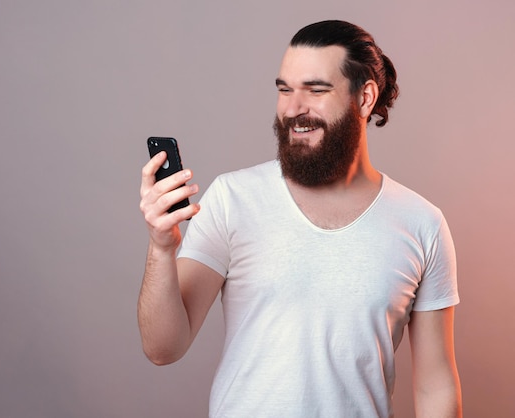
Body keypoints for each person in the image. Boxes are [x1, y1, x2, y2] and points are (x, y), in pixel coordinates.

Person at [138, 20, 462, 418]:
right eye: (285, 89)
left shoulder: (422, 223)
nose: (293, 108)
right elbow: (162, 348)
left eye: (315, 90)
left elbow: (435, 384)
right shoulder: (232, 198)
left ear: (364, 98)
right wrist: (161, 246)